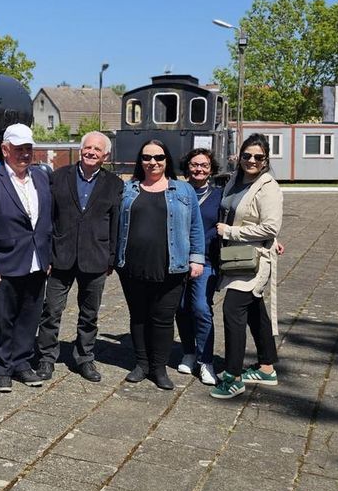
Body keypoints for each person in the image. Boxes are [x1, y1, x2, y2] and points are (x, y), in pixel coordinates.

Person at [115, 139, 204, 390]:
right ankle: (142, 364)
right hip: (132, 265)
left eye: (158, 158)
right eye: (146, 157)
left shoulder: (184, 191)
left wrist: (197, 258)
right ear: (139, 161)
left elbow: (195, 227)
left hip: (171, 266)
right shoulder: (128, 189)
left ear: (167, 160)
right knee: (139, 316)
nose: (152, 162)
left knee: (163, 319)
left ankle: (159, 368)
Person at [37, 131, 123, 383]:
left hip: (95, 257)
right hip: (60, 255)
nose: (91, 152)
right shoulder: (58, 177)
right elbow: (48, 218)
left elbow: (116, 223)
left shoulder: (114, 184)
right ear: (81, 148)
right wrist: (47, 253)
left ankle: (85, 358)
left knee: (89, 314)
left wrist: (111, 258)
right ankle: (46, 357)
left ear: (105, 156)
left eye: (98, 150)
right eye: (88, 147)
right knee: (51, 310)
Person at [0, 123, 52, 392]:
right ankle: (2, 369)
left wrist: (47, 255)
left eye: (28, 148)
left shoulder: (41, 178)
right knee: (2, 318)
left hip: (36, 261)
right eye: (18, 149)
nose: (24, 154)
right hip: (4, 261)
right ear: (5, 150)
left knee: (29, 316)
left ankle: (21, 363)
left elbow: (46, 221)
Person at [211, 134, 284, 400]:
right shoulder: (235, 180)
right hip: (235, 258)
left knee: (233, 310)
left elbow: (271, 226)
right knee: (255, 311)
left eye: (258, 157)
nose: (251, 161)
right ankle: (266, 367)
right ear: (240, 156)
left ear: (266, 161)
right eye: (247, 156)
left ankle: (233, 377)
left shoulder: (269, 187)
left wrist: (231, 232)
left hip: (253, 262)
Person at [174, 148, 222, 386]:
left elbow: (241, 219)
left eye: (204, 165)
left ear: (211, 169)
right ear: (187, 167)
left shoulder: (219, 196)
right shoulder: (177, 191)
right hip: (178, 259)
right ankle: (189, 352)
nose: (199, 169)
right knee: (181, 307)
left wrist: (271, 240)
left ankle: (206, 361)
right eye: (194, 165)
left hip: (207, 260)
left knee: (201, 308)